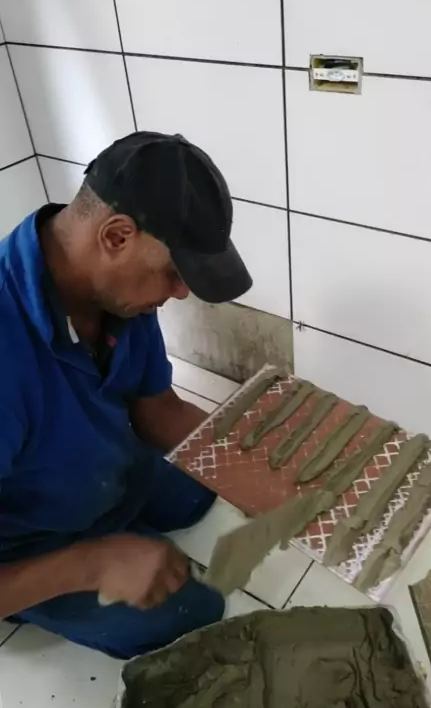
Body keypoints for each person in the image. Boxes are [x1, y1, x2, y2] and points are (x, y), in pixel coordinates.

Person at [0, 131, 252, 659]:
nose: (181, 292)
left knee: (200, 490)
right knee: (191, 612)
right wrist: (92, 564)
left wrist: (252, 465)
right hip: (25, 539)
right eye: (173, 274)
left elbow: (158, 409)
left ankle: (114, 523)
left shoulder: (115, 293)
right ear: (116, 236)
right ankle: (47, 584)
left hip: (101, 468)